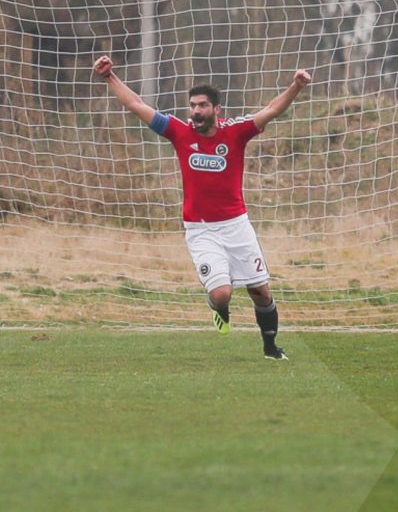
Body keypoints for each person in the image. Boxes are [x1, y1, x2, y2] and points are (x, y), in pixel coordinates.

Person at [93, 54, 311, 360]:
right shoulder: (179, 132)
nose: (196, 111)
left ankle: (270, 349)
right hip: (201, 229)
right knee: (222, 295)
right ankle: (219, 310)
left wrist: (296, 86)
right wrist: (109, 77)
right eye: (192, 105)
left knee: (260, 291)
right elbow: (137, 105)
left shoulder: (235, 132)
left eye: (202, 106)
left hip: (236, 225)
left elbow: (272, 110)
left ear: (216, 109)